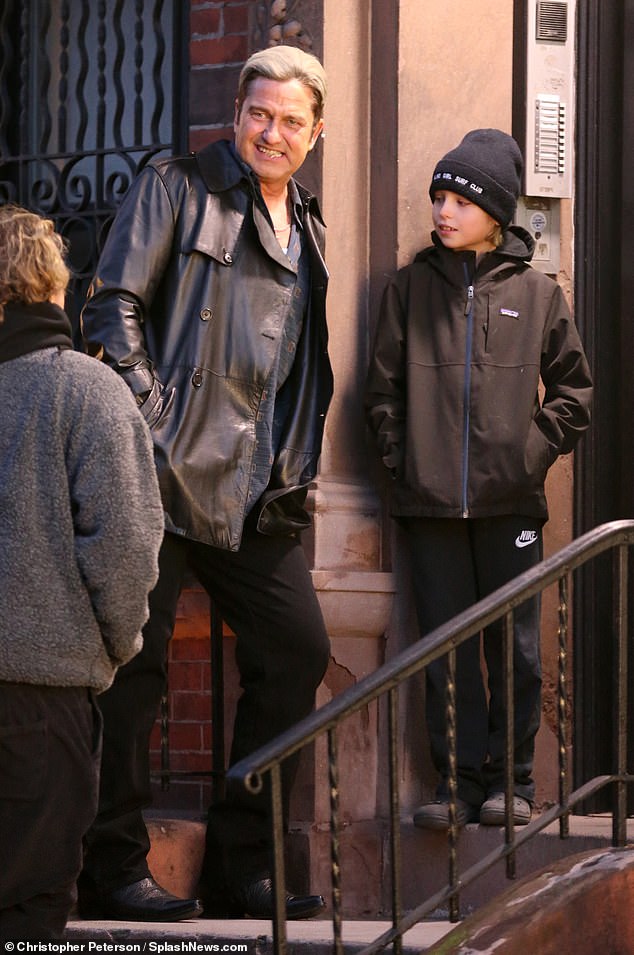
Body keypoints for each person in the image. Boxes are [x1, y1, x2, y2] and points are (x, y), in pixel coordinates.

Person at [79, 45, 333, 921]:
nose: (273, 131)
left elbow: (298, 366)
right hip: (160, 471)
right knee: (135, 667)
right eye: (260, 113)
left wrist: (294, 469)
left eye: (291, 120)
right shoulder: (175, 187)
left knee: (297, 649)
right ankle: (107, 862)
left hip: (259, 490)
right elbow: (111, 305)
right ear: (237, 114)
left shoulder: (313, 228)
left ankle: (239, 859)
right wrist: (152, 419)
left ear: (315, 133)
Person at [365, 129, 592, 831]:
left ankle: (514, 783)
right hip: (430, 506)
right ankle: (454, 784)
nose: (443, 211)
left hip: (510, 504)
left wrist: (528, 455)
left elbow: (575, 395)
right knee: (446, 648)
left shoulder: (537, 294)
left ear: (494, 212)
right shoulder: (409, 289)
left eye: (458, 199)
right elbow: (381, 392)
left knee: (517, 647)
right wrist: (406, 462)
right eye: (438, 196)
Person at [0, 205, 164, 940]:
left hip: (45, 681)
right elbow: (127, 546)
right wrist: (114, 646)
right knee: (33, 905)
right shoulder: (88, 391)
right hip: (46, 694)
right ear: (53, 288)